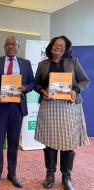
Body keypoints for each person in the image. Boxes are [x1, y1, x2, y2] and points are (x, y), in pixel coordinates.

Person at [34, 35, 90, 190]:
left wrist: (75, 91)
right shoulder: (43, 64)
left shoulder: (73, 62)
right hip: (49, 106)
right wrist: (42, 91)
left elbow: (85, 80)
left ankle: (66, 177)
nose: (59, 47)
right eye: (56, 45)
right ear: (51, 47)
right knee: (50, 142)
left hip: (69, 107)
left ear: (66, 49)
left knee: (68, 143)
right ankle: (50, 174)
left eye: (62, 45)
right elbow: (36, 83)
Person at [0, 35, 35, 188]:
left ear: (18, 47)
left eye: (13, 44)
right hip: (0, 106)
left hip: (17, 108)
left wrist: (25, 88)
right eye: (8, 44)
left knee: (13, 142)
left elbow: (32, 82)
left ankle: (12, 173)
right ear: (4, 47)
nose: (11, 46)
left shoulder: (25, 64)